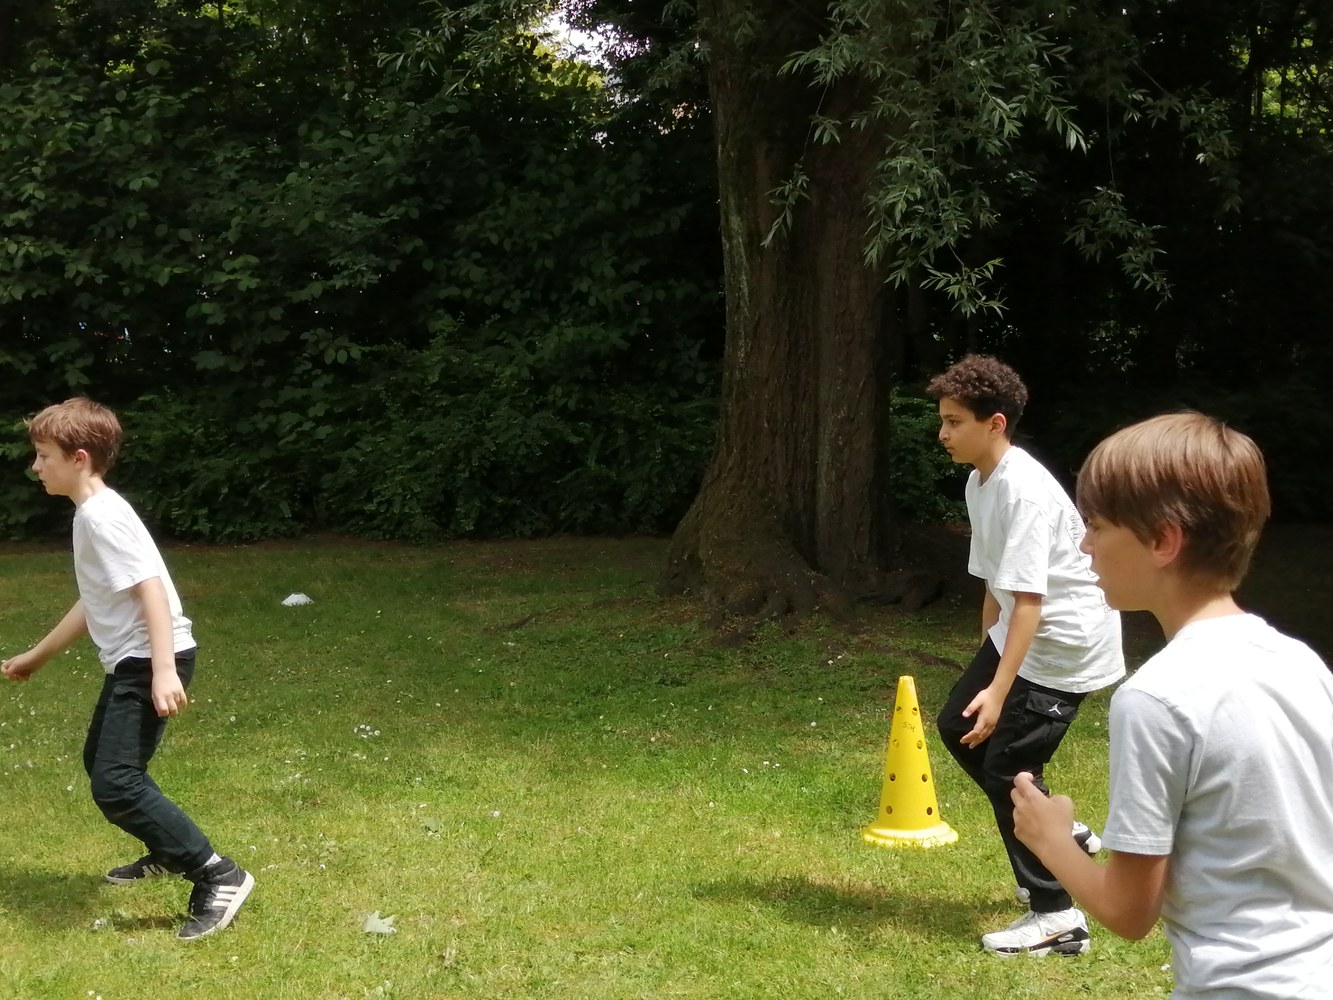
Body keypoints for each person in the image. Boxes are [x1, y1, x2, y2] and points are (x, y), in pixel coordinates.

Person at [1012, 411, 1333, 994]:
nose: (1084, 545)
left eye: (1097, 526)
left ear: (1163, 541)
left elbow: (1129, 912)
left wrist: (1050, 838)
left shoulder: (1155, 699)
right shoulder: (1301, 664)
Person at [1, 397, 254, 941]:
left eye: (43, 456)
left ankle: (217, 874)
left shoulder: (101, 516)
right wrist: (37, 656)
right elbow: (97, 599)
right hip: (136, 660)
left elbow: (151, 590)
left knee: (115, 783)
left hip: (149, 661)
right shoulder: (92, 512)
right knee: (103, 763)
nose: (35, 467)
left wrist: (163, 670)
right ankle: (167, 848)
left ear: (79, 458)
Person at [925, 355, 1124, 956]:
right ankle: (1061, 830)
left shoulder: (1025, 491)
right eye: (942, 420)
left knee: (1004, 766)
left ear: (995, 424)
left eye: (954, 422)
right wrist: (985, 661)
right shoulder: (979, 482)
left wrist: (1001, 686)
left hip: (1064, 647)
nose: (942, 433)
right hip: (1022, 633)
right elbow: (996, 582)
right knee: (958, 725)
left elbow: (1032, 600)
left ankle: (1058, 916)